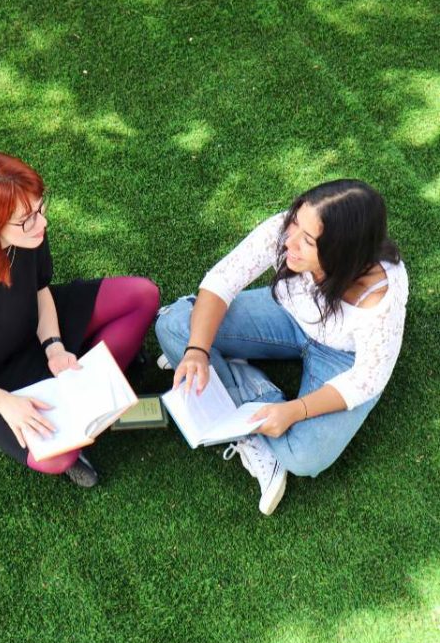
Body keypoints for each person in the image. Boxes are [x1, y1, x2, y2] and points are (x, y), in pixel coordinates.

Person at [156, 179, 408, 515]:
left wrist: (293, 411)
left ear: (341, 252)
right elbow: (223, 278)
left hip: (342, 359)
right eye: (294, 223)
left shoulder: (380, 296)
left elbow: (368, 378)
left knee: (303, 456)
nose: (290, 241)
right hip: (287, 315)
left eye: (308, 240)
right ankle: (234, 379)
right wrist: (198, 351)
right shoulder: (286, 232)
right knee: (174, 325)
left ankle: (247, 402)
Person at [0, 152, 159, 487]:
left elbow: (39, 288)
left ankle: (89, 383)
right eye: (28, 218)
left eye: (39, 209)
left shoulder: (27, 233)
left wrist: (54, 347)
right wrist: (3, 402)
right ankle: (86, 391)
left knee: (142, 295)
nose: (42, 222)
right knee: (57, 458)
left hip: (33, 326)